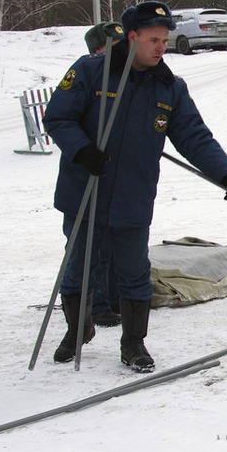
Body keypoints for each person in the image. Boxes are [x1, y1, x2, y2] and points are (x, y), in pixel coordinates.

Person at [44, 0, 227, 373]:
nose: (161, 47)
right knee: (79, 266)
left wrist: (226, 175)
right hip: (85, 190)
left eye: (164, 39)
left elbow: (195, 137)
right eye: (153, 39)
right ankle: (77, 330)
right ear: (132, 37)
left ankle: (133, 343)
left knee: (134, 270)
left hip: (132, 197)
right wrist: (83, 150)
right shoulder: (92, 72)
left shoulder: (169, 87)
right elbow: (57, 117)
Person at [82, 21, 126, 328]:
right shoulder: (87, 75)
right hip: (89, 171)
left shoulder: (126, 77)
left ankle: (111, 298)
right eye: (112, 47)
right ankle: (93, 304)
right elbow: (61, 119)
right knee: (92, 245)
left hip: (120, 174)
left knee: (115, 240)